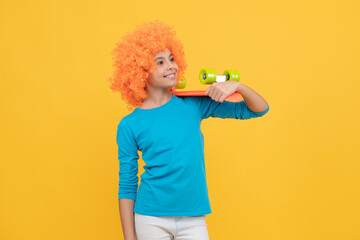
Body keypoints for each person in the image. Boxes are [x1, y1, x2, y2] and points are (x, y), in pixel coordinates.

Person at [109, 20, 269, 240]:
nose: (172, 66)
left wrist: (238, 86)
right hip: (150, 219)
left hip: (193, 219)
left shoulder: (193, 104)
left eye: (172, 59)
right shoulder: (129, 124)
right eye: (161, 62)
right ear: (141, 70)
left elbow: (258, 109)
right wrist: (129, 237)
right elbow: (127, 184)